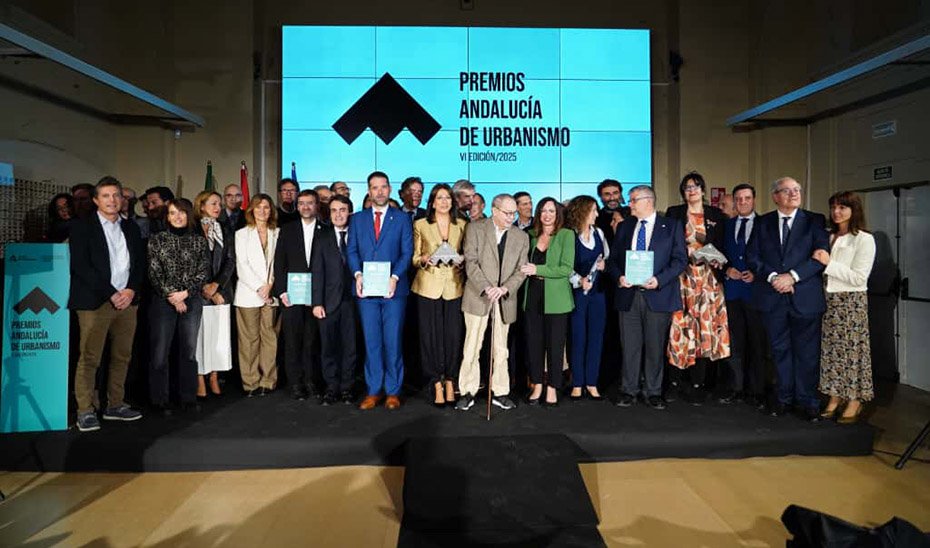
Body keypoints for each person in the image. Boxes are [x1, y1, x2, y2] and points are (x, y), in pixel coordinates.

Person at [746, 177, 829, 422]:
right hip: (773, 298)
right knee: (780, 351)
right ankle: (784, 399)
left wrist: (792, 277)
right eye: (787, 190)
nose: (793, 194)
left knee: (807, 354)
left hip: (805, 298)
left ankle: (808, 401)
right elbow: (753, 256)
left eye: (797, 190)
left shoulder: (814, 220)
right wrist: (774, 278)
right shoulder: (763, 223)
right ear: (775, 196)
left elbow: (820, 257)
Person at [69, 176, 145, 432]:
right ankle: (85, 409)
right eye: (106, 196)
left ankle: (115, 404)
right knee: (90, 357)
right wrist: (112, 293)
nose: (112, 200)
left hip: (127, 301)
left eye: (116, 195)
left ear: (123, 199)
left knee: (122, 355)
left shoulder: (131, 228)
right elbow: (81, 266)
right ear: (95, 200)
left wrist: (131, 290)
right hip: (95, 302)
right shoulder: (81, 227)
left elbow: (139, 264)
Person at [607, 185, 687, 410]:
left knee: (655, 346)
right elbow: (613, 260)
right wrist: (619, 277)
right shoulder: (624, 227)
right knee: (629, 346)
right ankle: (628, 390)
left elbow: (680, 260)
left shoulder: (671, 226)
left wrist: (659, 280)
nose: (629, 204)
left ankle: (653, 392)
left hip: (658, 294)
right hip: (629, 295)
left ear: (648, 201)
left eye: (633, 200)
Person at [456, 194, 529, 411]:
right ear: (495, 210)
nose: (511, 217)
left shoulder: (521, 237)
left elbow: (521, 270)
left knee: (501, 349)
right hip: (479, 296)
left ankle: (500, 391)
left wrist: (505, 288)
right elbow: (471, 262)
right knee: (472, 346)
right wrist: (487, 287)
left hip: (505, 298)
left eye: (514, 213)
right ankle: (467, 391)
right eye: (507, 213)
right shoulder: (475, 229)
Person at [348, 171, 413, 410]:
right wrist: (357, 274)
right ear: (368, 191)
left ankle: (393, 391)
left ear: (389, 188)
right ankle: (374, 390)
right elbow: (352, 250)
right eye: (374, 188)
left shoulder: (402, 219)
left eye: (383, 187)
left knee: (393, 341)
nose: (379, 191)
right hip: (366, 291)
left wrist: (395, 276)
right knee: (372, 341)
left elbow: (407, 252)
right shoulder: (357, 219)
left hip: (394, 291)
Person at [664, 172, 730, 404]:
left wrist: (716, 259)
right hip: (681, 278)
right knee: (679, 329)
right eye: (687, 187)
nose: (691, 190)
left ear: (703, 190)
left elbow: (723, 248)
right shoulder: (673, 213)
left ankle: (698, 383)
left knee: (704, 329)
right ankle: (674, 382)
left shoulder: (716, 215)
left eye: (695, 186)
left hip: (708, 280)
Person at [815, 191, 875, 424]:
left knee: (851, 353)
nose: (837, 212)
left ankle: (854, 399)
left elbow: (859, 277)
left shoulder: (864, 239)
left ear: (854, 210)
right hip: (828, 300)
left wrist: (829, 264)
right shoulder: (829, 236)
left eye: (843, 207)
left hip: (850, 302)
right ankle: (834, 396)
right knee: (831, 352)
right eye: (834, 208)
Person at [147, 199, 210, 414]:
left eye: (182, 212)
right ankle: (159, 400)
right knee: (160, 352)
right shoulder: (157, 240)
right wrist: (173, 296)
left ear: (189, 215)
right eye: (173, 213)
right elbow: (154, 272)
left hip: (191, 301)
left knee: (189, 352)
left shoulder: (199, 241)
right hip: (163, 301)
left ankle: (187, 397)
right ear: (167, 216)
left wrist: (186, 293)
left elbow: (203, 272)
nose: (177, 217)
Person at [411, 184, 466, 407]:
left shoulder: (462, 224)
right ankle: (435, 382)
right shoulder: (420, 224)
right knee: (429, 337)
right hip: (428, 286)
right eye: (440, 198)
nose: (444, 202)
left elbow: (467, 254)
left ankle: (451, 380)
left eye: (448, 198)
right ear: (432, 202)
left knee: (453, 336)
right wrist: (425, 258)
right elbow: (414, 258)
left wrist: (461, 261)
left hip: (454, 285)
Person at [519, 197, 575, 406]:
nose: (547, 214)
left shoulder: (566, 235)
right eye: (543, 210)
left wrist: (537, 270)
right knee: (534, 344)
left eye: (551, 211)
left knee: (555, 345)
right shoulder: (530, 236)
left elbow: (566, 268)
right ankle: (537, 385)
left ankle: (552, 387)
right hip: (532, 297)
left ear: (557, 213)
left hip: (557, 300)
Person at [720, 183, 768, 408]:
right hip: (732, 292)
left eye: (747, 198)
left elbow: (772, 256)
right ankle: (736, 388)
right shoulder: (726, 225)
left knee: (757, 343)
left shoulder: (765, 225)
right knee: (735, 343)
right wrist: (725, 268)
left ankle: (757, 391)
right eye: (738, 199)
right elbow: (716, 253)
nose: (742, 202)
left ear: (754, 200)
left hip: (756, 292)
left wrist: (757, 275)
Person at [273, 189, 324, 401]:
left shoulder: (326, 230)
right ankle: (295, 383)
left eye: (309, 203)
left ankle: (310, 381)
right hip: (292, 295)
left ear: (316, 206)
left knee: (312, 341)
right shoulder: (287, 229)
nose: (305, 207)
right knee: (292, 341)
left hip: (316, 296)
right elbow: (279, 263)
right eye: (301, 203)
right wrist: (282, 291)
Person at [234, 193, 281, 397]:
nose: (262, 211)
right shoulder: (241, 234)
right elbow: (241, 266)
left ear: (271, 210)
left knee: (270, 338)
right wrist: (260, 287)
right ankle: (250, 382)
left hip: (272, 293)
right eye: (258, 207)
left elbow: (281, 263)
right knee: (249, 340)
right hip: (248, 294)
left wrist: (270, 286)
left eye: (266, 207)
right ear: (251, 210)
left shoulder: (278, 233)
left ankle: (268, 381)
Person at [313, 194, 358, 404]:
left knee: (350, 348)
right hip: (328, 302)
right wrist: (317, 302)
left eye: (342, 210)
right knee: (328, 347)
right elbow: (317, 272)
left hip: (354, 301)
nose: (338, 214)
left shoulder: (359, 234)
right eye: (333, 210)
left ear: (349, 211)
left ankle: (347, 388)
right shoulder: (322, 238)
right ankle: (331, 388)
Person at [193, 190, 237, 398]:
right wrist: (206, 289)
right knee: (200, 338)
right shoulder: (192, 229)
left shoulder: (224, 229)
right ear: (201, 206)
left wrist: (217, 286)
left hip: (220, 292)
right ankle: (199, 378)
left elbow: (230, 261)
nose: (217, 207)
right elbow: (191, 264)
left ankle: (214, 376)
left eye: (219, 204)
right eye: (213, 203)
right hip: (197, 293)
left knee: (218, 337)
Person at [565, 196, 609, 400]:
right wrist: (578, 280)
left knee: (596, 338)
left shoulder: (599, 233)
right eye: (593, 210)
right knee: (578, 338)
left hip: (597, 294)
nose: (597, 214)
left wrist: (603, 266)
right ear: (582, 212)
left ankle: (591, 382)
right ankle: (577, 383)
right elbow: (564, 266)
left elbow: (606, 258)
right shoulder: (568, 236)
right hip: (577, 295)